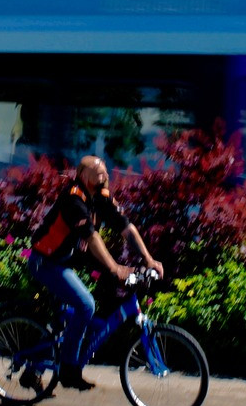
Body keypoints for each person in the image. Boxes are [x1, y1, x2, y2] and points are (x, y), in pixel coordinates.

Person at [28, 155, 163, 391]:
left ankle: (33, 371)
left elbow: (126, 228)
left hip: (66, 262)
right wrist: (115, 268)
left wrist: (149, 259)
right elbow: (91, 237)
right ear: (83, 176)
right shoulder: (74, 199)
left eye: (105, 172)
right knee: (85, 306)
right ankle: (69, 370)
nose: (104, 176)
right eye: (97, 172)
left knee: (70, 318)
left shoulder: (100, 197)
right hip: (47, 263)